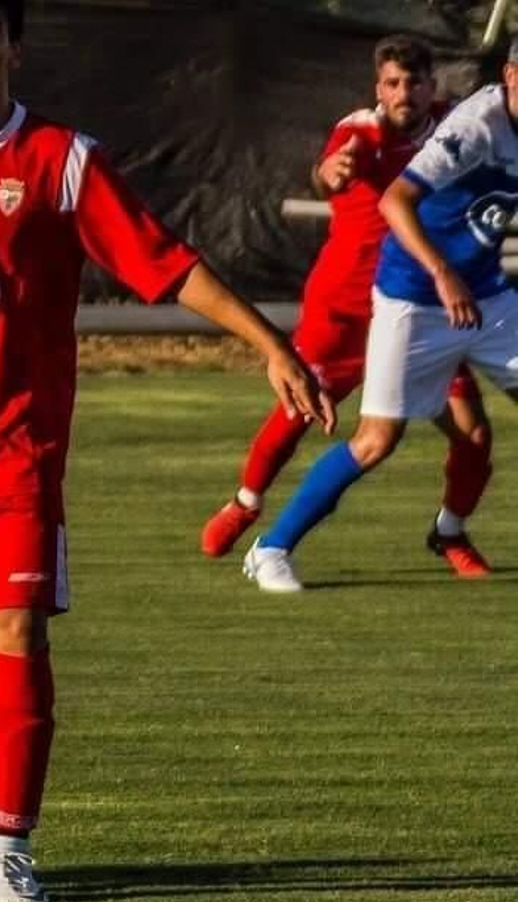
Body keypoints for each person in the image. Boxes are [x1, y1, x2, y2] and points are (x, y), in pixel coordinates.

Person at [0, 0, 332, 902]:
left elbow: (170, 264)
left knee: (19, 633)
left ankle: (9, 843)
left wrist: (268, 345)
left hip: (6, 459)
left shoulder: (60, 164)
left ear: (15, 45)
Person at [201, 36, 493, 572]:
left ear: (434, 87)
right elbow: (330, 168)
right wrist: (328, 173)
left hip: (419, 311)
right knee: (299, 412)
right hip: (346, 311)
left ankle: (449, 531)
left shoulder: (455, 129)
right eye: (392, 83)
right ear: (378, 88)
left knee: (474, 432)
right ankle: (246, 504)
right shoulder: (362, 131)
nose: (403, 94)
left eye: (414, 83)